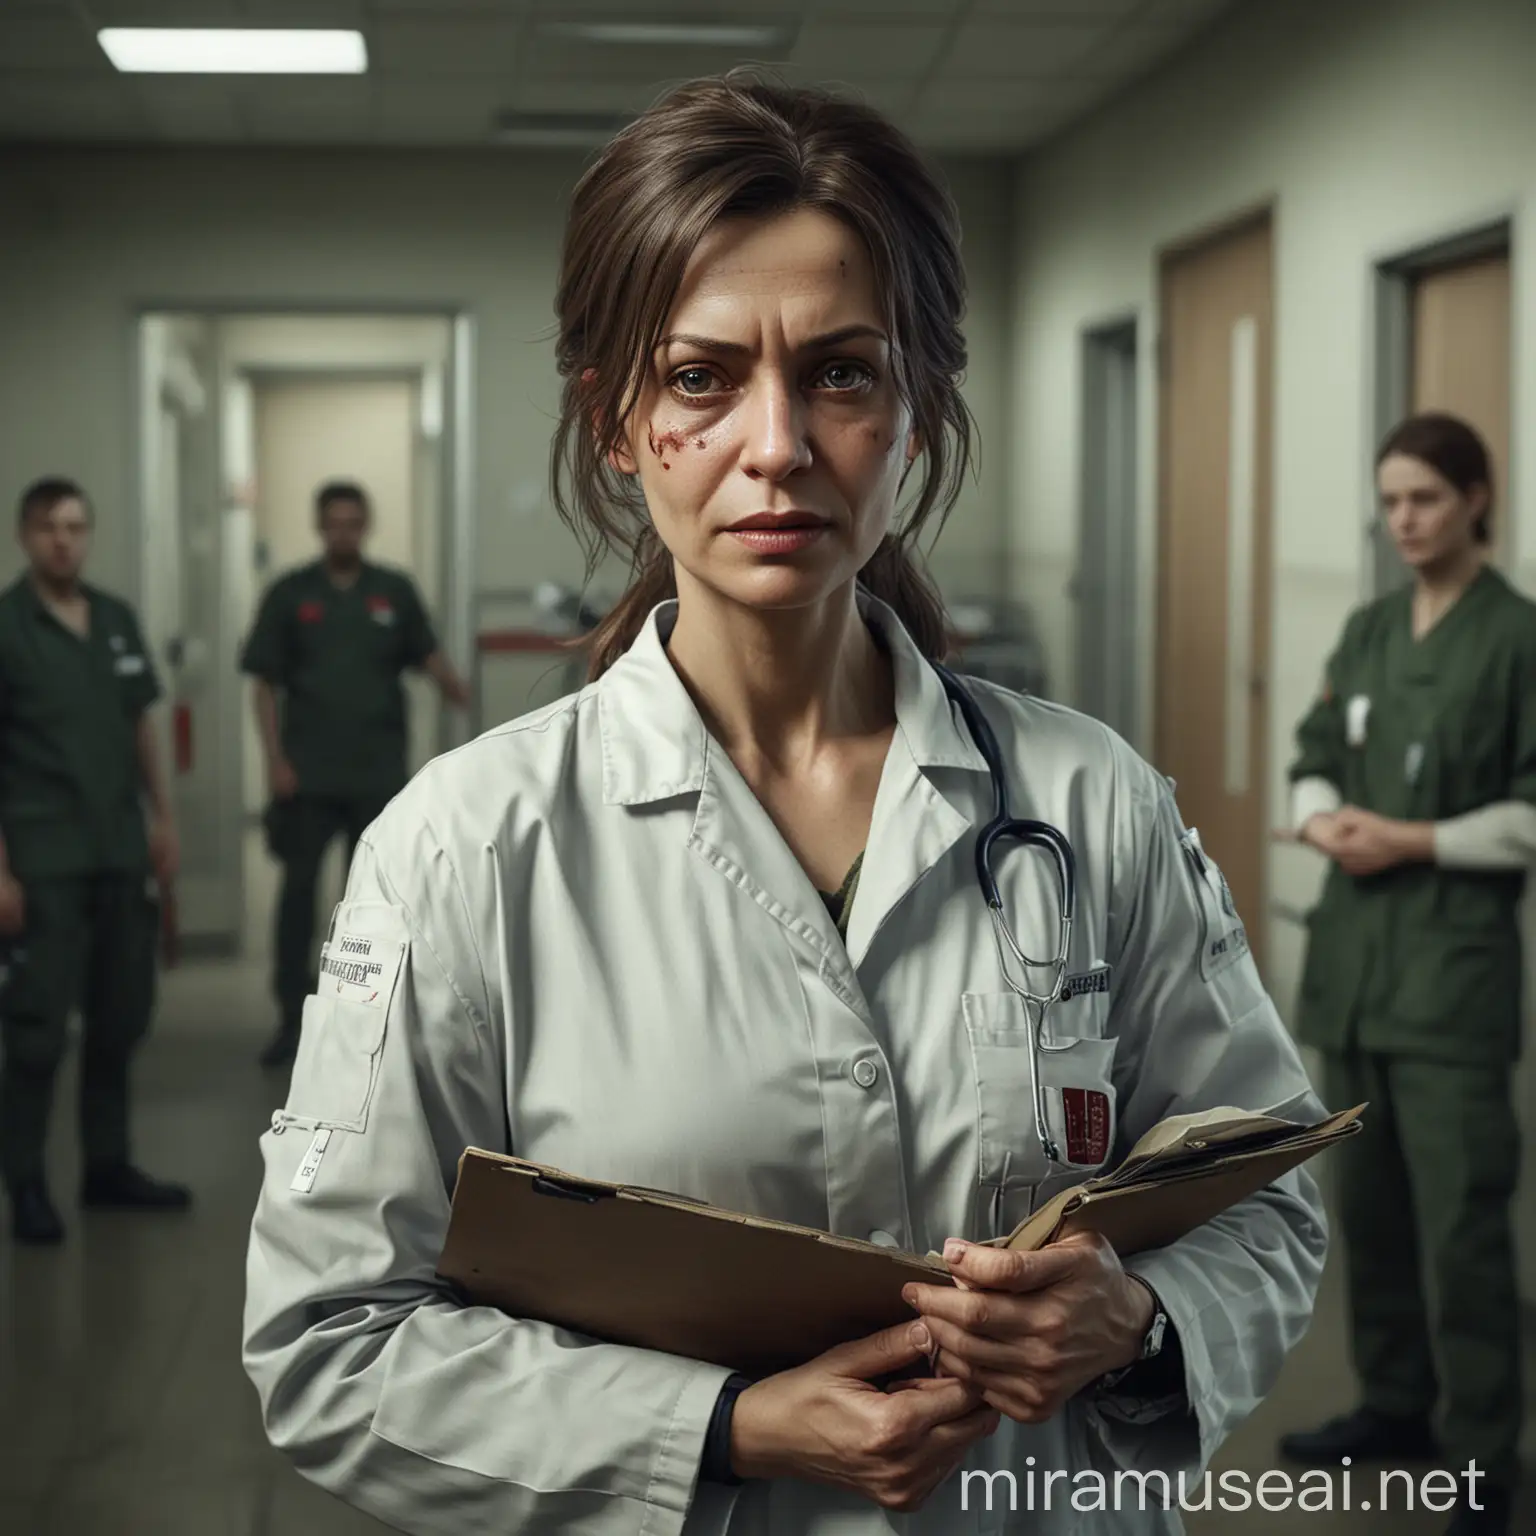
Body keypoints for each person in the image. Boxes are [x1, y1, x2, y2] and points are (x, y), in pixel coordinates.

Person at [243, 74, 1327, 1534]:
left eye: (841, 372)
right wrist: (720, 1429)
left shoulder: (1090, 803)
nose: (778, 446)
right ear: (615, 421)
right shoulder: (467, 847)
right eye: (701, 378)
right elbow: (330, 1344)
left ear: (918, 410)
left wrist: (1135, 1319)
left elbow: (1265, 1199)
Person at [1278, 413, 1534, 1536]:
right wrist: (1321, 817)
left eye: (1424, 499)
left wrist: (1414, 842)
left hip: (1451, 987)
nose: (1404, 522)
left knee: (1463, 1229)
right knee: (1368, 1216)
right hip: (1358, 975)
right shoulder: (1373, 630)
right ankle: (1396, 1406)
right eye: (1389, 503)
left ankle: (1485, 1457)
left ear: (1477, 498)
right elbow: (1314, 753)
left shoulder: (1517, 639)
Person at [0, 477, 190, 1245]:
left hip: (118, 850)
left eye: (76, 526)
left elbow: (140, 724)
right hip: (43, 859)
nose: (64, 540)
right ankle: (27, 1183)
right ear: (25, 536)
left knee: (120, 1017)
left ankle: (107, 1168)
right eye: (49, 528)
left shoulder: (113, 619)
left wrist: (164, 820)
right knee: (38, 1031)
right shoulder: (9, 627)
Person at [239, 480, 469, 1069]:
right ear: (321, 527)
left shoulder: (392, 591)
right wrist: (274, 762)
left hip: (376, 774)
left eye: (353, 522)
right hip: (308, 775)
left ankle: (366, 1019)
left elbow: (428, 657)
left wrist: (462, 691)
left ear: (364, 526)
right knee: (298, 897)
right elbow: (262, 683)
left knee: (371, 906)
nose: (343, 532)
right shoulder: (291, 594)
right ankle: (292, 1021)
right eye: (333, 523)